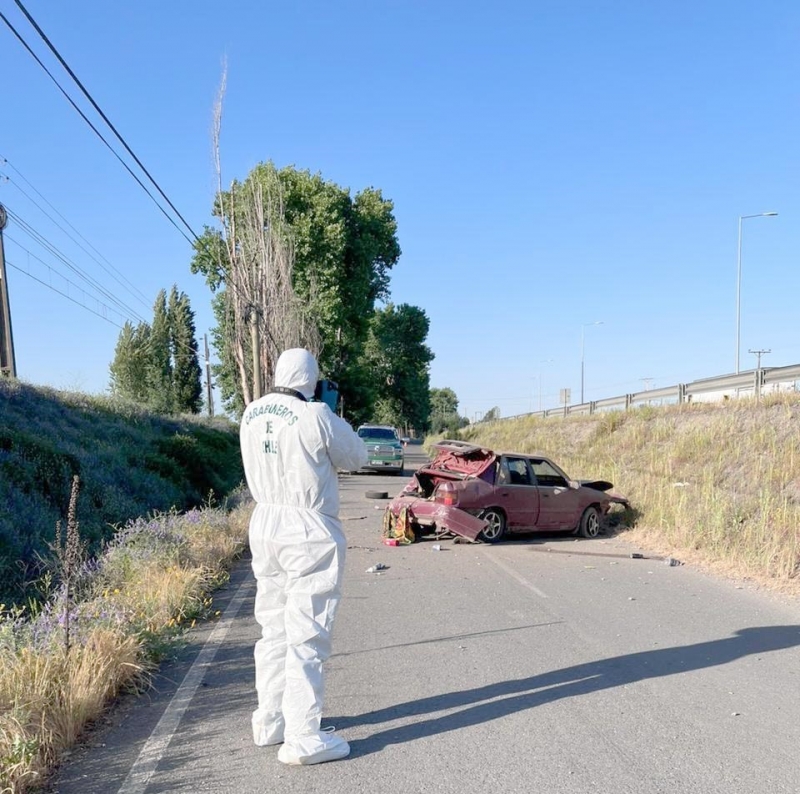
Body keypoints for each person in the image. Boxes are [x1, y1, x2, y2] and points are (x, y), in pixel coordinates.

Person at [239, 348, 368, 766]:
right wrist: (330, 412)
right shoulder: (315, 416)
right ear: (311, 379)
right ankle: (303, 736)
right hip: (308, 528)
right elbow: (358, 456)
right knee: (307, 632)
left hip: (265, 523)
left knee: (272, 627)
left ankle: (270, 719)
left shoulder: (251, 413)